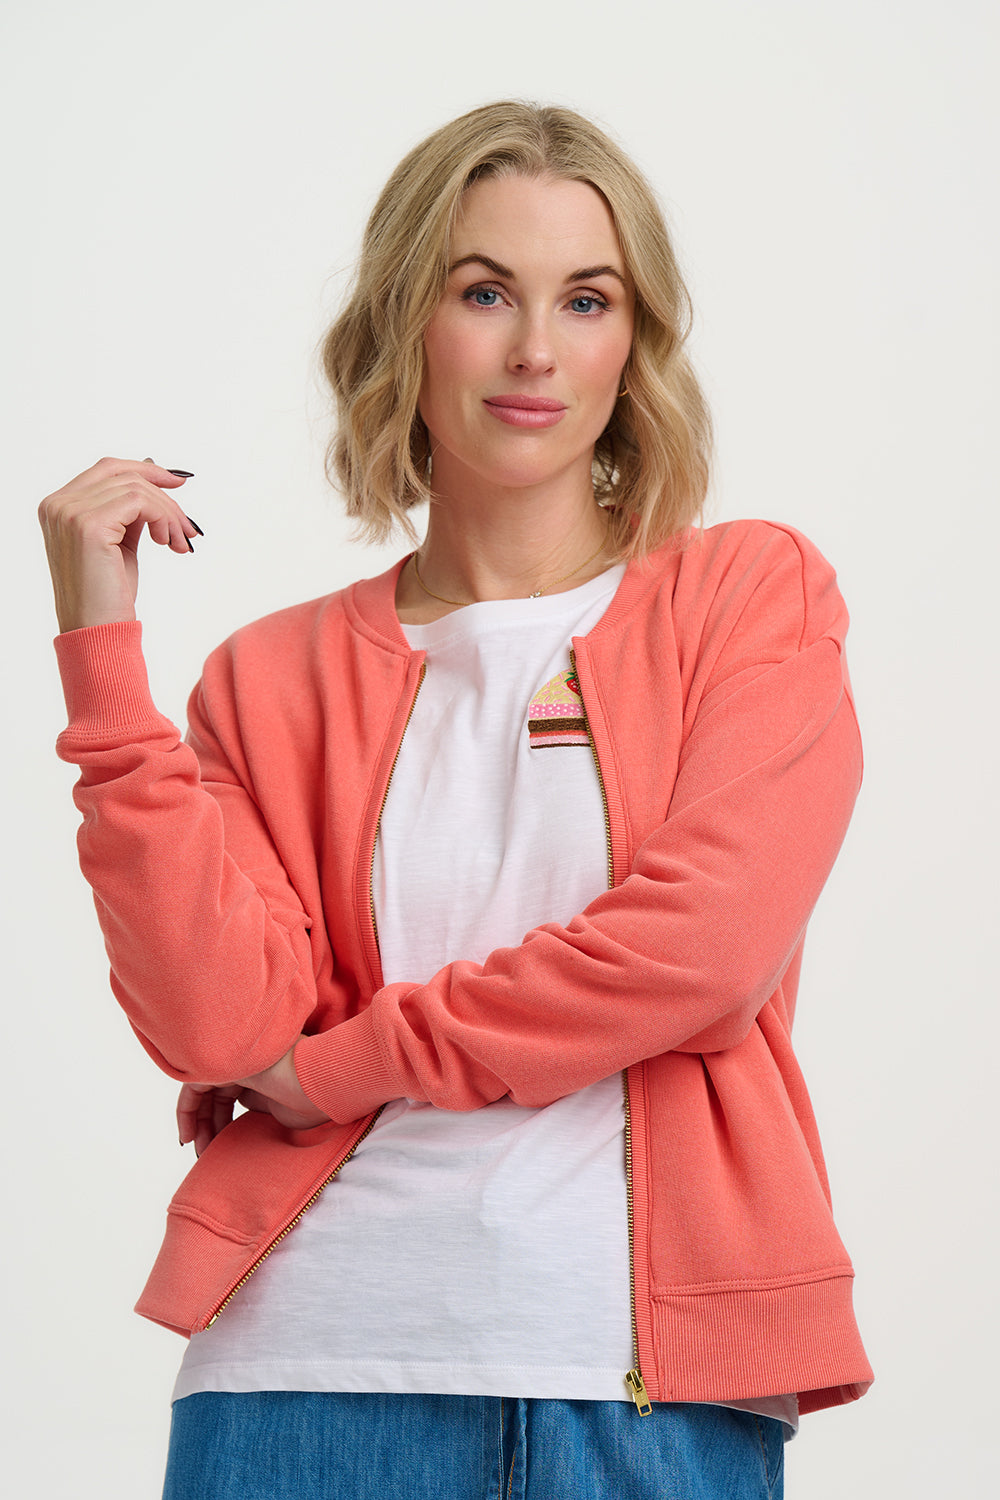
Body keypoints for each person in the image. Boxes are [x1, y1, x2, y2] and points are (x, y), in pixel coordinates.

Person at [40, 101, 872, 1500]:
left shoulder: (746, 597)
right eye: (485, 291)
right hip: (299, 1377)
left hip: (637, 1388)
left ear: (634, 340)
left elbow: (700, 958)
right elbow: (217, 1027)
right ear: (406, 324)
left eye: (586, 299)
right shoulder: (271, 674)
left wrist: (347, 1062)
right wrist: (104, 670)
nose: (536, 349)